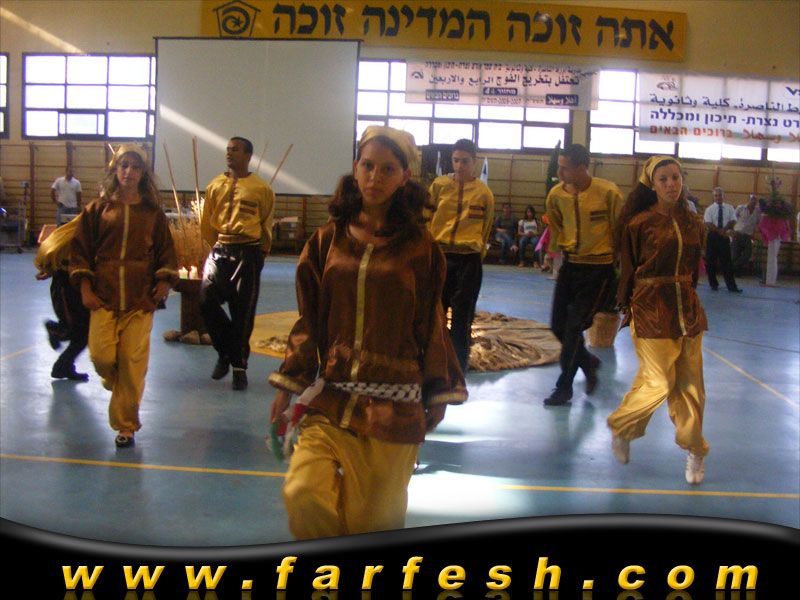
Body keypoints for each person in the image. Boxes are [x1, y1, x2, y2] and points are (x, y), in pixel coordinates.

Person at [268, 126, 467, 539]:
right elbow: (309, 319)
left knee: (374, 524)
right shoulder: (326, 240)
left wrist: (438, 389)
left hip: (395, 406)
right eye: (368, 165)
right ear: (356, 168)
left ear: (405, 176)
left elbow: (431, 322)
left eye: (388, 169)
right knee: (303, 492)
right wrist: (289, 384)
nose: (375, 177)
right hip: (332, 398)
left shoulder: (420, 248)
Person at [607, 156, 709, 484]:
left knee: (691, 387)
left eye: (675, 177)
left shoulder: (694, 223)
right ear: (652, 185)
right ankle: (623, 426)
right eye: (663, 179)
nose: (671, 184)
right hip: (650, 309)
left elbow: (693, 269)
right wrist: (625, 303)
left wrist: (690, 297)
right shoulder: (639, 223)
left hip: (688, 312)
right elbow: (628, 268)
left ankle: (695, 449)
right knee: (658, 382)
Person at [70, 144, 178, 448]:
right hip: (103, 295)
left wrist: (164, 282)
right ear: (115, 169)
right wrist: (85, 288)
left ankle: (126, 426)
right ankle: (117, 385)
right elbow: (80, 251)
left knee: (132, 362)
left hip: (140, 298)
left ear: (143, 173)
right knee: (101, 356)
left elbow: (167, 251)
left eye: (135, 167)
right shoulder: (96, 210)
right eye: (123, 165)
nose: (129, 172)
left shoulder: (152, 213)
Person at [543, 143, 623, 406]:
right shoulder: (556, 195)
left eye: (565, 168)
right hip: (570, 267)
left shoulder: (608, 193)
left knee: (574, 327)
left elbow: (621, 230)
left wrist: (622, 271)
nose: (559, 173)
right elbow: (556, 227)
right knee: (558, 326)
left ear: (582, 168)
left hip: (598, 270)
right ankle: (587, 363)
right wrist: (553, 257)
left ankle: (564, 387)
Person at [200, 137, 276, 391]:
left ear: (248, 156)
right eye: (228, 149)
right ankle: (225, 352)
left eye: (235, 150)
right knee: (206, 300)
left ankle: (239, 367)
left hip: (249, 251)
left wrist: (261, 254)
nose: (229, 153)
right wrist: (216, 245)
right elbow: (207, 222)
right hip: (220, 249)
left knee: (243, 311)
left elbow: (266, 223)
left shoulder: (262, 189)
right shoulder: (214, 185)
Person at [428, 139, 495, 373]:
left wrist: (477, 254)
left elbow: (486, 228)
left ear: (474, 162)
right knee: (435, 314)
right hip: (440, 258)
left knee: (462, 317)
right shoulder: (439, 186)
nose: (459, 166)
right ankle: (433, 363)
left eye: (465, 161)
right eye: (456, 160)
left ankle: (457, 368)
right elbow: (426, 219)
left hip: (469, 260)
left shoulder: (484, 194)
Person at [34, 217, 90, 381]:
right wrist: (50, 268)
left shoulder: (91, 227)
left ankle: (63, 367)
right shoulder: (86, 228)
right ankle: (56, 331)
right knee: (79, 330)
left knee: (83, 332)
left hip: (75, 285)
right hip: (67, 287)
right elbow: (63, 253)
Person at [702, 187, 742, 292]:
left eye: (720, 195)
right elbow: (708, 223)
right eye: (716, 195)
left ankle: (732, 286)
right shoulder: (709, 209)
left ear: (723, 196)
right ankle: (713, 284)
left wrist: (724, 230)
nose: (718, 197)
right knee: (711, 261)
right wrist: (719, 231)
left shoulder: (729, 208)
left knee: (727, 262)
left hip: (724, 236)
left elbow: (733, 220)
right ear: (713, 197)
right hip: (713, 236)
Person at [731, 194, 761, 274]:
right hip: (737, 233)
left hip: (748, 236)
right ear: (748, 200)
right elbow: (732, 218)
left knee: (747, 254)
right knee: (735, 254)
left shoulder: (757, 212)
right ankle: (736, 272)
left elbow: (758, 223)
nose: (753, 201)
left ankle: (733, 266)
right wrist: (731, 230)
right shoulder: (740, 208)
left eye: (755, 200)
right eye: (752, 200)